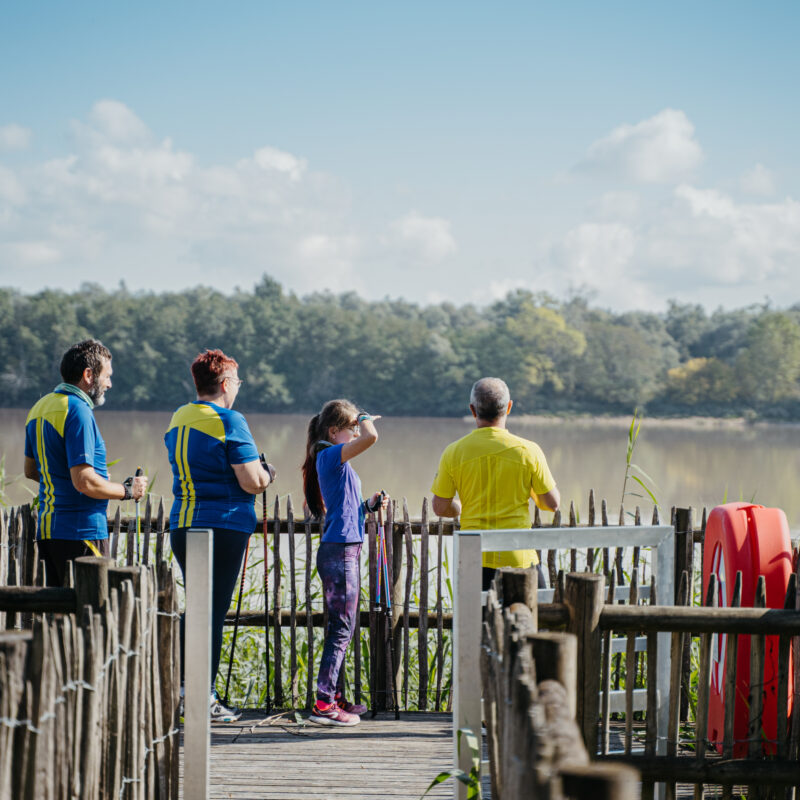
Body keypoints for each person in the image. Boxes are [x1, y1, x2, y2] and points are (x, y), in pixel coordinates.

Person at [164, 349, 274, 723]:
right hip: (221, 526)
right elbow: (252, 480)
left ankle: (182, 692)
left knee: (195, 609)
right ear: (226, 384)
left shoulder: (179, 417)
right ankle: (202, 698)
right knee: (210, 614)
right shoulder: (229, 420)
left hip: (182, 524)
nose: (238, 389)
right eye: (237, 382)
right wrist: (267, 472)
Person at [24, 339, 148, 587]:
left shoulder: (40, 407)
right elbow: (84, 481)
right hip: (82, 533)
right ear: (88, 374)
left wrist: (82, 483)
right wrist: (127, 491)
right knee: (92, 614)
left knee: (61, 617)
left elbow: (31, 471)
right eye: (107, 376)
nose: (110, 384)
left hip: (49, 533)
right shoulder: (78, 410)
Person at [302, 399, 388, 726]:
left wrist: (369, 505)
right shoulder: (328, 455)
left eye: (355, 427)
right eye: (350, 428)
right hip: (340, 552)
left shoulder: (337, 461)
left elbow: (347, 508)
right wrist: (365, 418)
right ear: (333, 430)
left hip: (343, 548)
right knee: (341, 628)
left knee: (342, 627)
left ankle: (334, 697)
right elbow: (371, 438)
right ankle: (324, 704)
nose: (355, 433)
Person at [430, 377, 560, 591]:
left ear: (473, 410)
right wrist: (531, 492)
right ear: (509, 407)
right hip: (519, 557)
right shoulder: (528, 451)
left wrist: (460, 507)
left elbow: (440, 507)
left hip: (474, 557)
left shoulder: (454, 452)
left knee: (475, 623)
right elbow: (552, 504)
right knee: (530, 620)